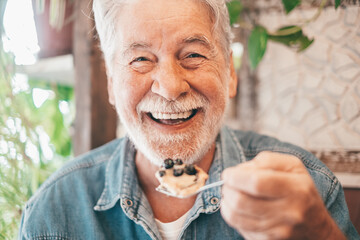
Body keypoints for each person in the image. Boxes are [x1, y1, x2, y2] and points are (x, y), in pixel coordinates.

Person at [19, 0, 359, 239]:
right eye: (140, 59)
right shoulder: (52, 213)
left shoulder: (312, 189)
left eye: (193, 55)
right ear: (111, 83)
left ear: (230, 72)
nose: (169, 88)